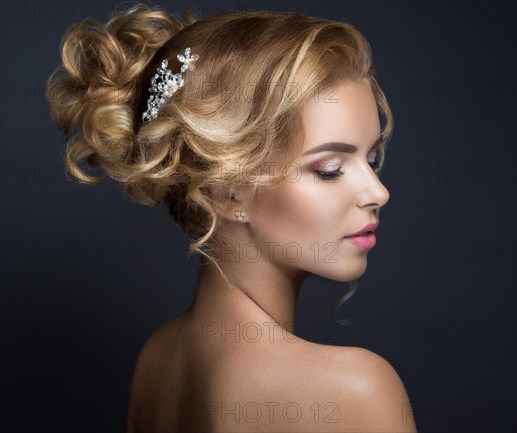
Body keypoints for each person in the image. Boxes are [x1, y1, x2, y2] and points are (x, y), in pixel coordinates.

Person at [45, 3, 417, 432]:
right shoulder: (354, 389)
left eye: (371, 159)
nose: (378, 192)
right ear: (225, 192)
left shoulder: (158, 358)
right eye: (330, 169)